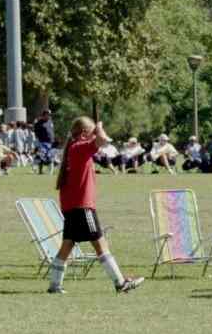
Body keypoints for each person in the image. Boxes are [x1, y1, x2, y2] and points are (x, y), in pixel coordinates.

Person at [45, 116, 145, 296]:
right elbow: (104, 140)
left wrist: (96, 130)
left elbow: (100, 142)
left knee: (67, 245)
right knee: (100, 244)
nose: (94, 136)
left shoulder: (74, 148)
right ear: (84, 133)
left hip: (72, 207)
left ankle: (54, 285)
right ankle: (120, 283)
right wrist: (99, 127)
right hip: (82, 207)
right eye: (91, 133)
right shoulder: (80, 147)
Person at [33, 109, 57, 174]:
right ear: (44, 115)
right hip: (42, 142)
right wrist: (38, 141)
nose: (49, 116)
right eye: (48, 114)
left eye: (49, 115)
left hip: (50, 142)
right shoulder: (39, 123)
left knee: (50, 156)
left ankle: (50, 171)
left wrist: (53, 140)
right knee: (41, 156)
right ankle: (40, 171)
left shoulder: (50, 122)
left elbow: (52, 132)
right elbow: (36, 132)